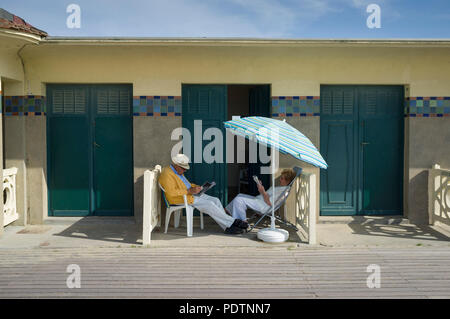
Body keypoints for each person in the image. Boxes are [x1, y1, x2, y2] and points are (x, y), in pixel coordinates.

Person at [158, 154, 248, 234]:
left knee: (215, 200)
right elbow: (171, 192)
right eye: (183, 168)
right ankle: (233, 222)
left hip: (190, 195)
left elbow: (187, 184)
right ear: (176, 165)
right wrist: (189, 191)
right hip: (182, 198)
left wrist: (197, 187)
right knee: (210, 204)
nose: (185, 170)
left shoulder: (178, 171)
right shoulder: (167, 173)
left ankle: (227, 227)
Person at [225, 168, 296, 222]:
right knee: (240, 195)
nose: (280, 179)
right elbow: (266, 195)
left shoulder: (282, 191)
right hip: (259, 200)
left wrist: (262, 191)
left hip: (263, 206)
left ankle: (242, 222)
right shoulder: (281, 188)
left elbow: (269, 203)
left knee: (239, 200)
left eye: (282, 178)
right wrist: (261, 187)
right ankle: (227, 210)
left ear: (288, 181)